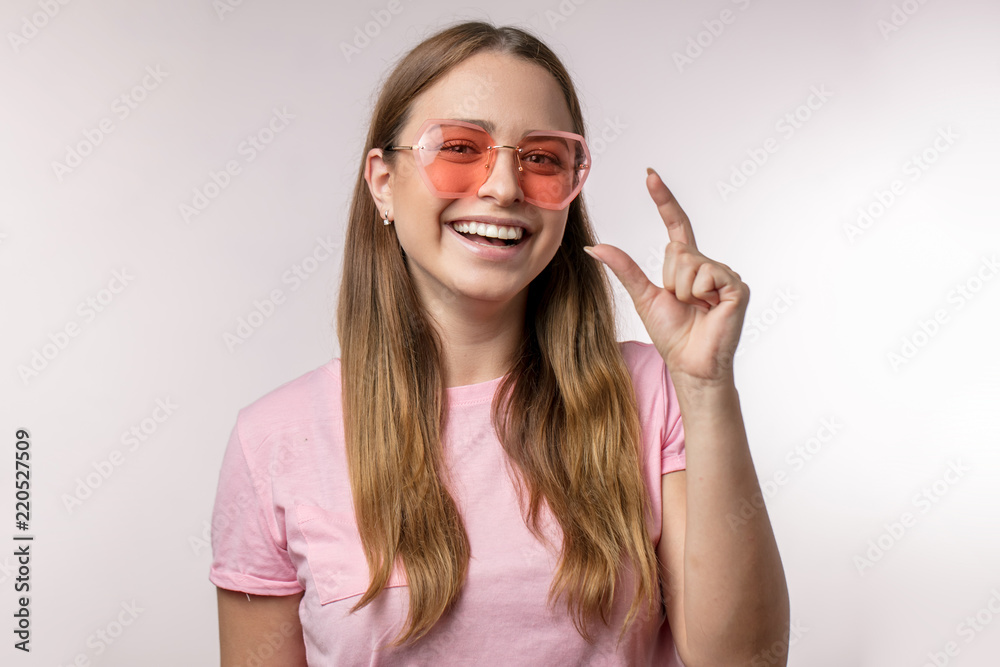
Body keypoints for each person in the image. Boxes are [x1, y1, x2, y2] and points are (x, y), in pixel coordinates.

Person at [209, 20, 789, 666]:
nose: (505, 187)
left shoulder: (653, 391)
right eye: (460, 148)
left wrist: (706, 391)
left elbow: (747, 662)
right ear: (381, 181)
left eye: (542, 158)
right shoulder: (273, 440)